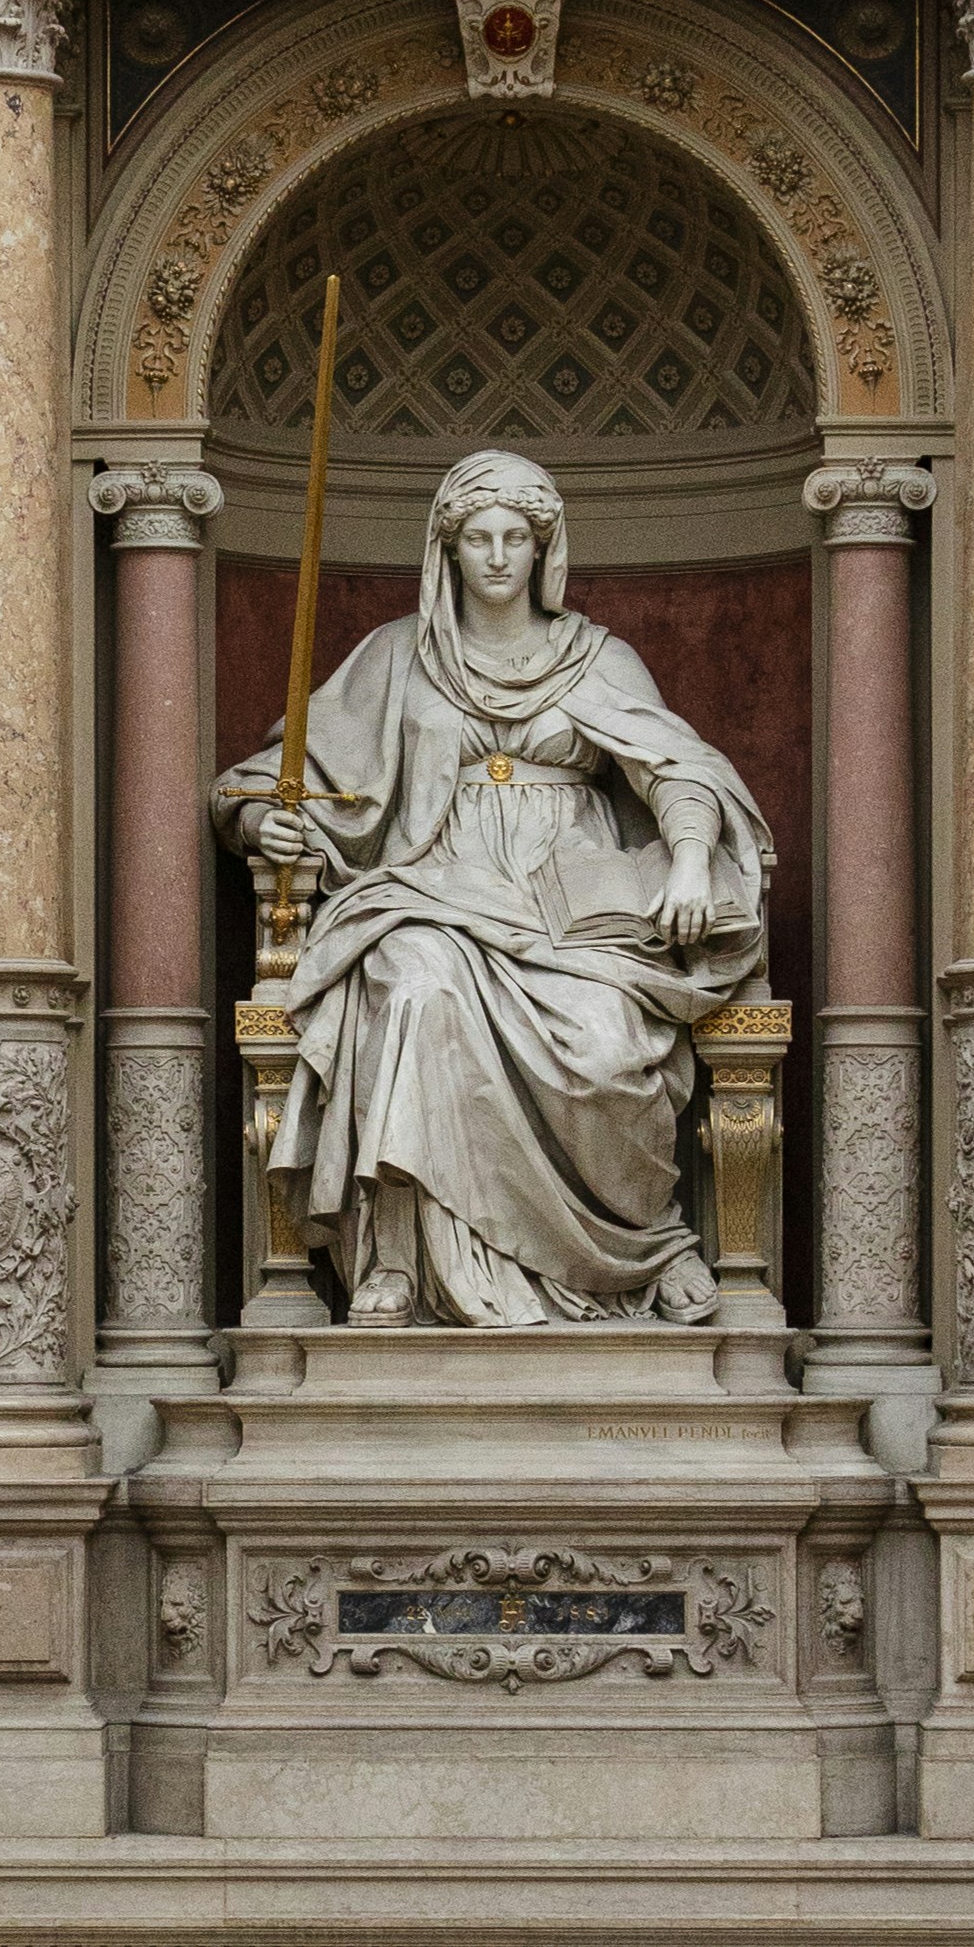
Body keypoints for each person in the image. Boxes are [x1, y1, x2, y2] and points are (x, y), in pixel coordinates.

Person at [217, 443, 770, 1326]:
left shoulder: (596, 656)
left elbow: (679, 770)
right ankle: (396, 1260)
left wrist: (696, 856)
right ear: (448, 548)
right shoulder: (399, 655)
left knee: (604, 1039)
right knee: (412, 989)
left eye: (518, 535)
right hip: (432, 885)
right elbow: (269, 776)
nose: (500, 555)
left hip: (573, 906)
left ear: (545, 549)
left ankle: (642, 1247)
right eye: (480, 536)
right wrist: (260, 822)